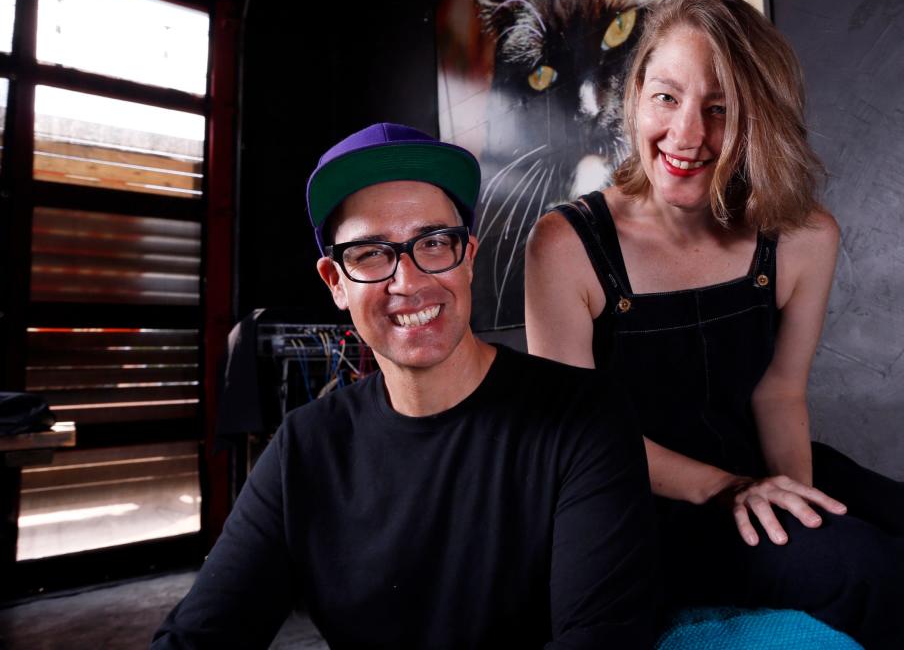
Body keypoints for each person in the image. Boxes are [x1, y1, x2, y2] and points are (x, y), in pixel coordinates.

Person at [524, 0, 904, 648]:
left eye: (720, 109)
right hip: (639, 504)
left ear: (760, 118)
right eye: (667, 96)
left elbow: (779, 392)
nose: (687, 135)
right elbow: (573, 445)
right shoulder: (563, 246)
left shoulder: (804, 236)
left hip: (757, 469)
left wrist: (793, 501)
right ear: (637, 92)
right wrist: (731, 490)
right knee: (876, 576)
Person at [153, 122, 659, 649]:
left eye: (434, 243)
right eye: (371, 253)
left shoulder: (583, 419)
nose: (408, 282)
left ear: (468, 257)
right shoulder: (306, 447)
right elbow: (198, 636)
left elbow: (602, 639)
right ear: (335, 282)